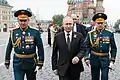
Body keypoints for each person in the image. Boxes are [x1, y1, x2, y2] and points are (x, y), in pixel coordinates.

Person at [4, 9, 44, 80]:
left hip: (31, 62)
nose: (23, 23)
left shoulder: (35, 32)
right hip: (17, 62)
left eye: (25, 20)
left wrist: (40, 61)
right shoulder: (13, 32)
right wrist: (7, 60)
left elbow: (40, 48)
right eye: (21, 21)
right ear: (18, 21)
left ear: (28, 20)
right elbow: (9, 47)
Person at [84, 13, 117, 80]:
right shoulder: (90, 34)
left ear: (104, 23)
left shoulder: (109, 33)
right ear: (95, 23)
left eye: (101, 23)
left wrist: (112, 60)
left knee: (105, 77)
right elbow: (86, 46)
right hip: (94, 58)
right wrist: (87, 57)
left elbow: (113, 47)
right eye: (98, 23)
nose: (100, 25)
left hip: (105, 58)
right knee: (95, 77)